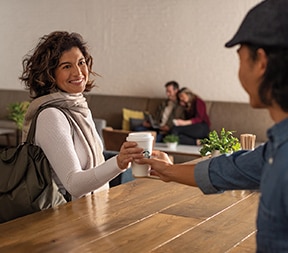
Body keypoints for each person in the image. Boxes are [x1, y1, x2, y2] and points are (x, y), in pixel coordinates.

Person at [137, 0, 288, 251]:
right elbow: (231, 169)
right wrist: (167, 170)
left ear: (261, 62)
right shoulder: (275, 150)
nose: (238, 72)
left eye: (240, 59)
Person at [20, 31, 144, 201]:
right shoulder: (51, 116)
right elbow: (74, 184)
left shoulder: (79, 108)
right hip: (61, 220)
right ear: (50, 74)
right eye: (66, 66)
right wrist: (119, 162)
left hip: (91, 213)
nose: (78, 72)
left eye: (81, 62)